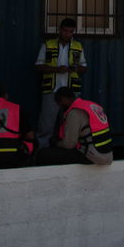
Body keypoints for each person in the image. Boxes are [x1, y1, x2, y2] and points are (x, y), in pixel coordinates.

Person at [35, 18, 88, 149]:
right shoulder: (48, 44)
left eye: (71, 32)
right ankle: (42, 152)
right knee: (46, 125)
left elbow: (84, 68)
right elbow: (38, 66)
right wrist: (57, 69)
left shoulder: (78, 46)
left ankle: (66, 151)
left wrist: (75, 69)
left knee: (71, 124)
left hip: (71, 93)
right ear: (60, 30)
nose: (68, 34)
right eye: (65, 31)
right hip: (51, 90)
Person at [38, 86, 113, 166]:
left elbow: (69, 144)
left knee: (43, 154)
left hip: (92, 156)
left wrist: (56, 143)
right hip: (107, 155)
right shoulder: (92, 105)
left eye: (59, 102)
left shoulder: (74, 113)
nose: (59, 106)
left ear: (65, 98)